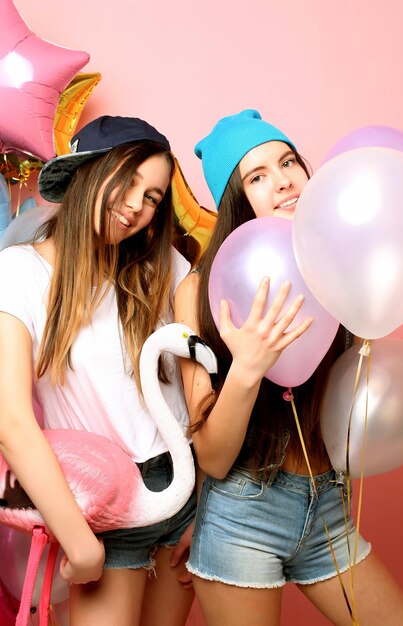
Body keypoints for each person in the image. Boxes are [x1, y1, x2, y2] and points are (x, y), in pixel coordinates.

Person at [175, 109, 403, 625]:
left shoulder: (341, 264)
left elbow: (358, 392)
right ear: (237, 201)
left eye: (288, 160)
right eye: (257, 176)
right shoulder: (200, 290)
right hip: (244, 514)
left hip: (330, 508)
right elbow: (214, 459)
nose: (285, 180)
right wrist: (247, 368)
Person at [0, 115, 196, 625]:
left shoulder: (163, 266)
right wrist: (80, 543)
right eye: (128, 181)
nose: (136, 205)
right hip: (104, 503)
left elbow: (202, 388)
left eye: (153, 196)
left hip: (183, 490)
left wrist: (209, 503)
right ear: (88, 171)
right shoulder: (19, 272)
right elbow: (11, 422)